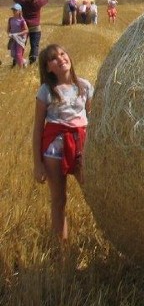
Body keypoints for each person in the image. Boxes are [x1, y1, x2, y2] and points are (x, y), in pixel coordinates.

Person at [32, 44, 94, 243]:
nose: (60, 59)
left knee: (93, 192)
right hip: (54, 150)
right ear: (48, 68)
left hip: (81, 145)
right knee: (59, 200)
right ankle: (62, 248)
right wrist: (37, 164)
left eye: (62, 54)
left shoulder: (84, 86)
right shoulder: (46, 91)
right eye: (53, 58)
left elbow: (92, 117)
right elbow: (38, 129)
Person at [13, 0, 48, 65]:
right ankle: (32, 62)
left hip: (24, 27)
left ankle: (17, 61)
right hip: (35, 27)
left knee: (21, 45)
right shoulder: (38, 2)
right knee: (34, 46)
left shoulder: (23, 2)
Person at [8, 3, 29, 68]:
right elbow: (8, 29)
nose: (14, 11)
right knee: (13, 54)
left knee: (18, 54)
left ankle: (21, 70)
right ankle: (24, 62)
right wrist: (9, 33)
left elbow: (26, 30)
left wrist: (17, 34)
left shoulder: (22, 21)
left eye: (15, 10)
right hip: (13, 38)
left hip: (20, 39)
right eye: (13, 10)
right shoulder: (10, 19)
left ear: (19, 11)